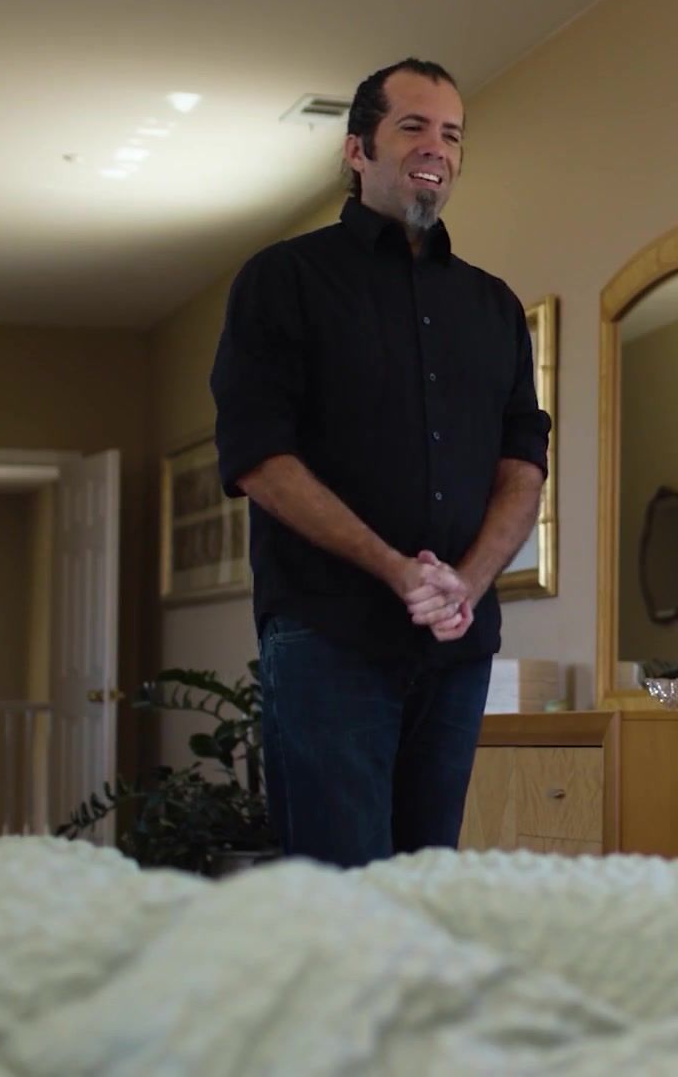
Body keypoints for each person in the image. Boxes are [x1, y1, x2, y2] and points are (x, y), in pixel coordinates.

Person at [209, 57, 550, 869]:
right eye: (413, 126)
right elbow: (259, 457)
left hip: (457, 646)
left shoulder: (495, 307)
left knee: (427, 884)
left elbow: (523, 463)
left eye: (452, 134)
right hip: (328, 635)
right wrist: (397, 571)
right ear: (357, 149)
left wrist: (466, 582)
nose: (437, 147)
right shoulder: (283, 280)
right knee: (344, 893)